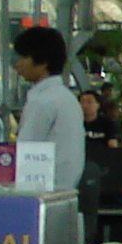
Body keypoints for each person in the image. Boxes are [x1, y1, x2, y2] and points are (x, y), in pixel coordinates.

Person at [12, 25, 87, 195]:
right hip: (66, 190)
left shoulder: (42, 101)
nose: (18, 64)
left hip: (41, 192)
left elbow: (27, 150)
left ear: (43, 61)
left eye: (24, 56)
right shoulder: (67, 98)